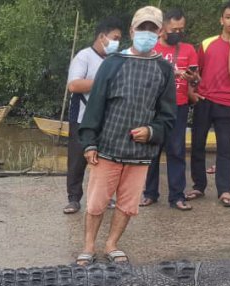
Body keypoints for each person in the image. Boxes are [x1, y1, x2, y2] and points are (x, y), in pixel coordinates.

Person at [76, 6, 176, 266]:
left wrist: (152, 131)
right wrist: (89, 142)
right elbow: (96, 105)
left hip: (140, 154)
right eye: (141, 28)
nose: (146, 33)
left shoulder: (164, 69)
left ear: (160, 32)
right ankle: (88, 245)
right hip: (107, 147)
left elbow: (167, 115)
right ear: (132, 31)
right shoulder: (113, 63)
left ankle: (112, 244)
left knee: (128, 204)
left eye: (151, 29)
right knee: (96, 202)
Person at [186, 0, 230, 208]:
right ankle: (199, 186)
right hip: (204, 100)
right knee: (197, 145)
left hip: (227, 102)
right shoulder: (207, 43)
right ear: (221, 19)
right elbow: (198, 73)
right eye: (228, 17)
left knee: (225, 148)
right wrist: (193, 91)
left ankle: (224, 190)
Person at [139, 8, 199, 211]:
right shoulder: (150, 47)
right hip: (152, 107)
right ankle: (149, 193)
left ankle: (177, 196)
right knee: (152, 150)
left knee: (176, 150)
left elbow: (196, 79)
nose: (178, 33)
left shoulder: (189, 50)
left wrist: (192, 79)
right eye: (174, 29)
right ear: (163, 27)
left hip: (178, 106)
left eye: (181, 29)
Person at [63, 17, 123, 214]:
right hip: (82, 117)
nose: (117, 43)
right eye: (115, 38)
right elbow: (74, 85)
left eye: (119, 39)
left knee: (105, 160)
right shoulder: (84, 57)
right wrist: (101, 83)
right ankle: (73, 199)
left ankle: (104, 198)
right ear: (101, 36)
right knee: (77, 159)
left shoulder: (114, 60)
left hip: (107, 119)